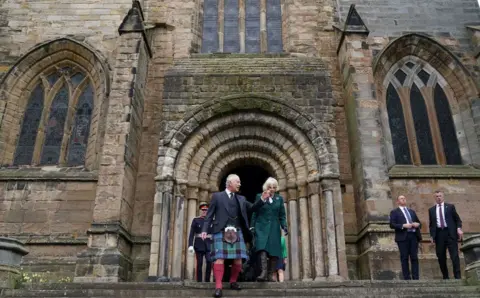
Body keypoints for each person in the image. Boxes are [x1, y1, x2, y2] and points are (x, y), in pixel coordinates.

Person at [201, 174, 266, 298]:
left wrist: (262, 200)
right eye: (238, 181)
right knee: (219, 258)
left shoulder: (241, 199)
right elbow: (209, 215)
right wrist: (205, 230)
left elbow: (252, 208)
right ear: (230, 183)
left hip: (236, 231)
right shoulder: (217, 197)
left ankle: (233, 281)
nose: (239, 184)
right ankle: (218, 287)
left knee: (238, 259)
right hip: (220, 230)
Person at [250, 177, 287, 282]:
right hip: (261, 227)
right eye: (270, 187)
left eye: (274, 187)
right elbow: (254, 211)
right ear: (266, 187)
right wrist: (252, 226)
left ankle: (271, 275)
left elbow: (282, 215)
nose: (272, 189)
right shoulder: (259, 196)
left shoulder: (279, 199)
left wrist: (284, 225)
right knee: (262, 248)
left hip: (274, 228)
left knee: (274, 251)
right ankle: (263, 273)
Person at [428, 190, 463, 279]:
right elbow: (432, 225)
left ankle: (457, 277)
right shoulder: (431, 210)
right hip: (439, 235)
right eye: (437, 196)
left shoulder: (450, 207)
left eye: (440, 196)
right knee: (441, 256)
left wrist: (458, 229)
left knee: (454, 256)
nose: (438, 197)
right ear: (434, 198)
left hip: (450, 233)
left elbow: (457, 220)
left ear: (443, 197)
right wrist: (432, 236)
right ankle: (445, 277)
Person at [389, 195, 422, 280]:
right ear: (397, 202)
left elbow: (419, 223)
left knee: (414, 257)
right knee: (404, 258)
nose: (403, 199)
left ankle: (416, 278)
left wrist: (417, 224)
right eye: (401, 198)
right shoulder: (395, 212)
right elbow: (392, 225)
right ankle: (407, 278)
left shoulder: (411, 211)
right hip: (403, 237)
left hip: (413, 236)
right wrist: (403, 225)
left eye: (404, 198)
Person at [188, 202, 213, 282]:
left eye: (206, 210)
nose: (204, 211)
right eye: (203, 210)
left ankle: (207, 280)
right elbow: (192, 233)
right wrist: (190, 245)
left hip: (209, 244)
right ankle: (199, 281)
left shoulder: (211, 220)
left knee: (209, 261)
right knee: (199, 263)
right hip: (199, 244)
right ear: (200, 210)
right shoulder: (196, 220)